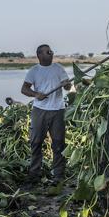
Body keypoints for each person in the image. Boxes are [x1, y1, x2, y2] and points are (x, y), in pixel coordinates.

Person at [21, 44, 71, 185]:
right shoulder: (34, 71)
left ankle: (58, 176)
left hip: (58, 110)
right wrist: (36, 94)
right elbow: (24, 89)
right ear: (39, 55)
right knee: (36, 142)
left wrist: (67, 84)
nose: (51, 53)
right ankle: (34, 174)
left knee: (59, 143)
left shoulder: (59, 68)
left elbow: (67, 86)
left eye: (51, 51)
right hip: (39, 110)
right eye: (47, 52)